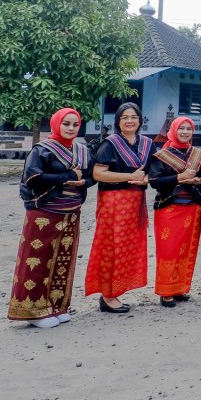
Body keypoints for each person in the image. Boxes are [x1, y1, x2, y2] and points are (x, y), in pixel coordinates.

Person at [8, 108, 93, 328]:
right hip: (45, 213)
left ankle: (57, 307)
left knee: (63, 261)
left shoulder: (82, 150)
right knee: (39, 261)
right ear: (56, 124)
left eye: (75, 124)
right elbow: (34, 178)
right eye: (66, 124)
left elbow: (91, 174)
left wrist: (84, 182)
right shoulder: (42, 150)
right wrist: (68, 177)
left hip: (71, 212)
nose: (71, 128)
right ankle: (34, 311)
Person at [85, 102, 152, 314]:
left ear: (140, 120)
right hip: (113, 201)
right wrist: (130, 177)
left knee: (128, 248)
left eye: (134, 117)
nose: (130, 121)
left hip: (135, 202)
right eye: (125, 117)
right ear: (118, 122)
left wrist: (145, 179)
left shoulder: (147, 144)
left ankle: (117, 290)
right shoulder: (110, 144)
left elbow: (152, 171)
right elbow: (98, 174)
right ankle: (108, 296)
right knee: (111, 246)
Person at [148, 117, 201, 308]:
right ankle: (166, 292)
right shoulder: (162, 155)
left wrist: (197, 181)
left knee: (185, 250)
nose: (185, 132)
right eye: (181, 128)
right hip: (169, 208)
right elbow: (155, 181)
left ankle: (180, 288)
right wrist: (180, 177)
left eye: (189, 129)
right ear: (173, 130)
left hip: (192, 208)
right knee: (169, 250)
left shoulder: (197, 154)